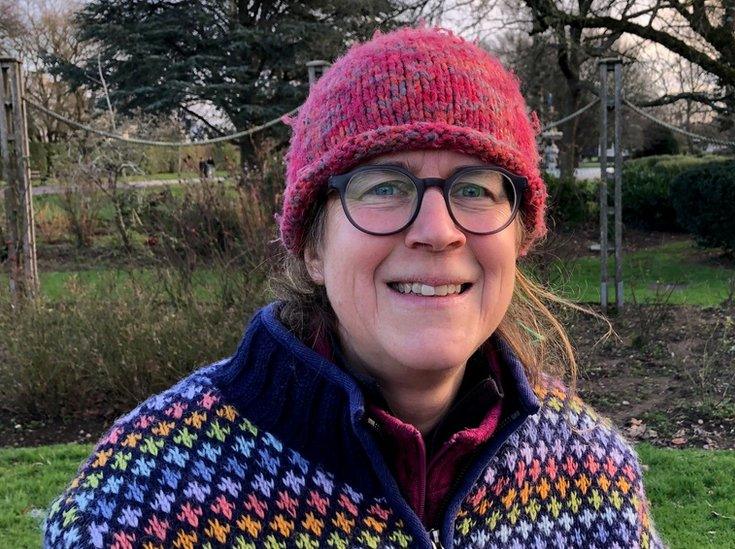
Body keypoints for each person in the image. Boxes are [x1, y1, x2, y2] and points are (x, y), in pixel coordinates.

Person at [43, 27, 666, 548]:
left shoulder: (589, 478)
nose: (437, 231)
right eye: (384, 185)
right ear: (314, 246)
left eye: (475, 187)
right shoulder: (141, 502)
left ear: (518, 236)